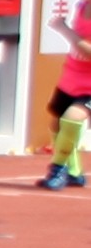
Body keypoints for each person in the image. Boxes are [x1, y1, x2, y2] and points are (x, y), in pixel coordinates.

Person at [42, 33, 89, 190]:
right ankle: (74, 172)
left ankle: (58, 169)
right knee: (57, 124)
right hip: (72, 80)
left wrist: (63, 29)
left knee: (72, 118)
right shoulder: (81, 8)